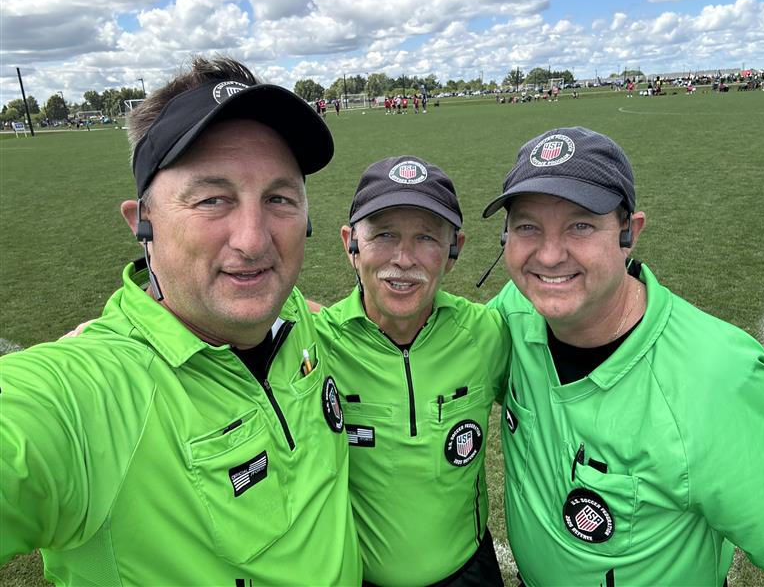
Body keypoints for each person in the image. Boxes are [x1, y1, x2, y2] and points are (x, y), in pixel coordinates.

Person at [0, 56, 361, 586]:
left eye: (279, 198)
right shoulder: (88, 397)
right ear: (141, 222)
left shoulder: (291, 315)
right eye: (212, 199)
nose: (254, 240)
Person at [482, 126, 764, 586]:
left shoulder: (715, 379)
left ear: (629, 232)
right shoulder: (514, 311)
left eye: (581, 225)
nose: (549, 256)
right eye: (527, 226)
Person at [314, 156, 510, 586]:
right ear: (351, 244)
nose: (403, 259)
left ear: (454, 250)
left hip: (470, 573)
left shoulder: (487, 334)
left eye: (426, 237)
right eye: (384, 234)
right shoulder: (316, 343)